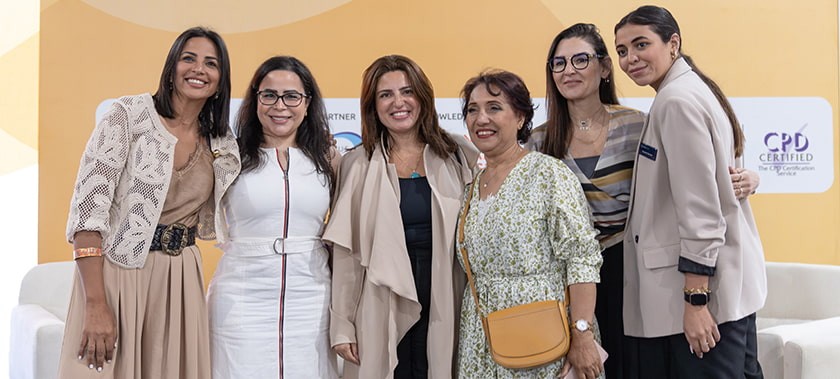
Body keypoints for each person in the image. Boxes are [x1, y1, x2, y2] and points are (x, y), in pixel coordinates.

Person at [525, 23, 761, 378]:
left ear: (604, 68)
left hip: (639, 272)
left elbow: (695, 179)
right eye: (558, 63)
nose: (568, 70)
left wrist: (747, 179)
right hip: (574, 280)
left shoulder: (640, 125)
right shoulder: (538, 143)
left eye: (580, 59)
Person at [59, 27, 238, 378]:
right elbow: (87, 219)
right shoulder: (127, 115)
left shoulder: (222, 140)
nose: (198, 69)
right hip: (117, 277)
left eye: (211, 63)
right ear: (172, 67)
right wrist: (96, 304)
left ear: (221, 79)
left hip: (180, 282)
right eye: (189, 58)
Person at [614, 5, 767, 378]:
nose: (630, 58)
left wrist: (696, 301)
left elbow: (700, 213)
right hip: (727, 293)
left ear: (673, 43)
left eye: (640, 44)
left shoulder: (676, 101)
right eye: (621, 51)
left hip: (705, 302)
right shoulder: (685, 91)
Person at [324, 54, 478, 379]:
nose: (399, 102)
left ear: (423, 96)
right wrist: (342, 325)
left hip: (446, 299)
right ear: (372, 105)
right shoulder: (356, 164)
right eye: (385, 94)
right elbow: (346, 255)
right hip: (379, 302)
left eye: (407, 91)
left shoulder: (459, 154)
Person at [457, 69, 604, 379]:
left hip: (543, 342)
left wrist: (582, 334)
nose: (481, 118)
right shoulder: (471, 186)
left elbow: (582, 259)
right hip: (480, 342)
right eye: (472, 109)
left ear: (521, 117)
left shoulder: (549, 174)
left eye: (494, 108)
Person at [207, 56, 340, 378]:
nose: (280, 106)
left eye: (292, 96)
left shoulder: (330, 159)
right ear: (255, 101)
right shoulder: (228, 157)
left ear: (308, 104)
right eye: (269, 95)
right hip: (240, 298)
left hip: (312, 297)